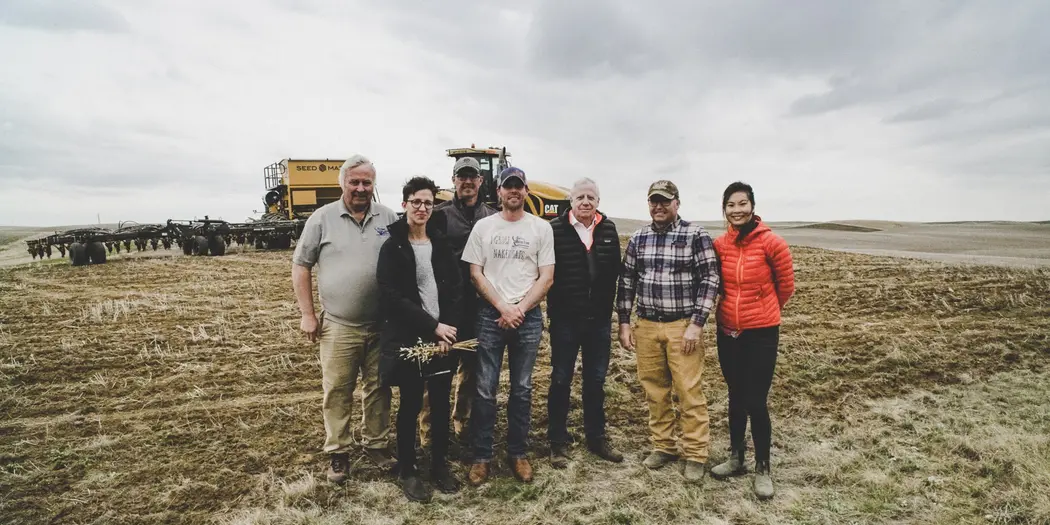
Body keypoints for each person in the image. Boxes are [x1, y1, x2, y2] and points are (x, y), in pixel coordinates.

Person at [291, 154, 399, 484]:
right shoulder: (322, 219)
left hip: (382, 325)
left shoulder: (388, 216)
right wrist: (308, 315)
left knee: (379, 388)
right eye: (355, 181)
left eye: (367, 182)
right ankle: (338, 451)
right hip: (339, 324)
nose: (361, 188)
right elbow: (301, 266)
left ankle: (376, 444)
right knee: (338, 389)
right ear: (342, 184)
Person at [616, 180, 721, 483]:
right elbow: (627, 282)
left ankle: (696, 454)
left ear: (677, 202)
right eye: (653, 201)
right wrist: (624, 321)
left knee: (689, 391)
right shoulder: (639, 238)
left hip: (682, 326)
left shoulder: (695, 235)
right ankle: (663, 446)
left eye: (664, 201)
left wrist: (696, 324)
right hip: (647, 325)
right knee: (654, 390)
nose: (658, 207)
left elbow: (710, 280)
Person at [462, 166, 555, 485]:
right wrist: (503, 307)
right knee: (485, 389)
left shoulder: (541, 229)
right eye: (508, 186)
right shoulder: (484, 227)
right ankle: (482, 457)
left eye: (519, 186)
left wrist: (520, 308)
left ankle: (518, 453)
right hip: (490, 316)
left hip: (527, 318)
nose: (514, 191)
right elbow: (476, 273)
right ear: (498, 192)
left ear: (526, 191)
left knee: (522, 388)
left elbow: (547, 276)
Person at [376, 176, 464, 502]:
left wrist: (449, 328)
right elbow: (392, 297)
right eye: (416, 202)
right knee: (410, 404)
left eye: (428, 202)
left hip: (442, 340)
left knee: (440, 405)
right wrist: (432, 327)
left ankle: (439, 466)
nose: (423, 208)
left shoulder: (441, 245)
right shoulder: (392, 247)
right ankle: (408, 471)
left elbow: (455, 291)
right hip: (412, 340)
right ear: (405, 205)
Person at [708, 181, 795, 500]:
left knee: (756, 400)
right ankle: (736, 458)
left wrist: (761, 311)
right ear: (724, 209)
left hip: (761, 333)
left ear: (753, 206)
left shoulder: (773, 243)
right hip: (728, 331)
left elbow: (786, 287)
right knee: (734, 394)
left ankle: (763, 468)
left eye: (742, 203)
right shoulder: (720, 245)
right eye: (731, 205)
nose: (737, 210)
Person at [417, 157, 498, 449]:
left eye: (472, 177)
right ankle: (429, 431)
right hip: (446, 307)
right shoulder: (439, 215)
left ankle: (463, 423)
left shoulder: (492, 216)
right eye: (461, 177)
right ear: (453, 180)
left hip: (480, 307)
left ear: (480, 181)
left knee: (473, 371)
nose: (467, 182)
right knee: (439, 368)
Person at [546, 177, 624, 468]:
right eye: (580, 197)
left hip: (599, 321)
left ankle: (596, 437)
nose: (585, 202)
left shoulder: (608, 228)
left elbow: (615, 271)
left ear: (598, 202)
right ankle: (557, 442)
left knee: (595, 380)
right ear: (571, 201)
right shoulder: (554, 230)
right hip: (565, 320)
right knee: (560, 379)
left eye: (591, 197)